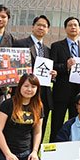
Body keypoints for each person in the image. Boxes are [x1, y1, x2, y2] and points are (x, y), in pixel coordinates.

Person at [0, 74, 43, 160]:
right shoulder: (7, 104)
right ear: (20, 86)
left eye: (33, 86)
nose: (29, 89)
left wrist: (35, 152)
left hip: (27, 153)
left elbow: (37, 132)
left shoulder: (38, 106)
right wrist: (8, 154)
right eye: (26, 86)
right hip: (6, 153)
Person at [49, 17, 80, 142]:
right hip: (61, 92)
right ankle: (54, 151)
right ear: (65, 28)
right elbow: (52, 66)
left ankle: (73, 152)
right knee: (57, 124)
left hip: (78, 94)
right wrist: (66, 66)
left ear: (79, 29)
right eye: (69, 25)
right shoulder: (56, 46)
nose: (73, 27)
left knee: (76, 125)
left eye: (75, 25)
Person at [14, 15, 55, 143]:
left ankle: (35, 154)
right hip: (24, 92)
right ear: (32, 27)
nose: (41, 28)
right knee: (21, 125)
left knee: (39, 126)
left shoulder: (48, 50)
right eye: (38, 25)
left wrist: (53, 75)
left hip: (43, 94)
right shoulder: (20, 44)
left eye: (44, 26)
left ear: (47, 30)